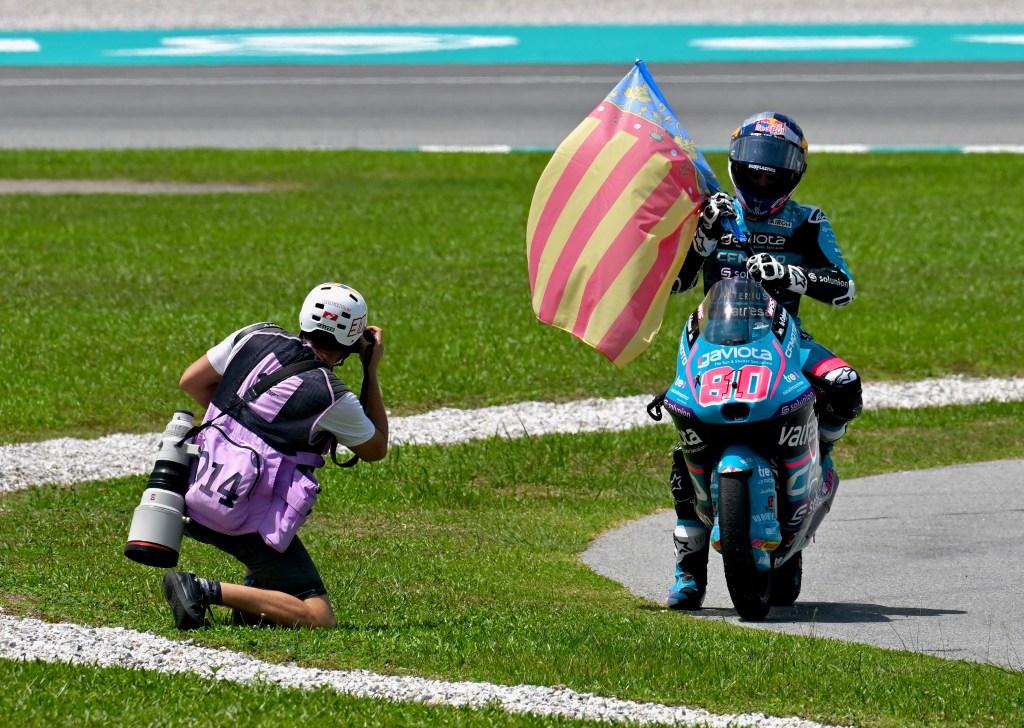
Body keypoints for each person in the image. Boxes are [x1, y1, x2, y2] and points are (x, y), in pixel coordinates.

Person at [665, 112, 862, 610]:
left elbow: (843, 287)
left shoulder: (807, 222)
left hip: (784, 341)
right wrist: (702, 239)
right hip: (712, 342)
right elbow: (677, 283)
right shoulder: (713, 213)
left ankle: (820, 454)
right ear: (736, 167)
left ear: (793, 175)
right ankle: (688, 570)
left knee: (844, 382)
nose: (761, 182)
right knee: (687, 432)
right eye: (754, 173)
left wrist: (793, 276)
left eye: (773, 176)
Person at [161, 282, 389, 629]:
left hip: (188, 490)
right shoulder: (333, 396)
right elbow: (376, 449)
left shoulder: (255, 335)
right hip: (240, 517)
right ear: (354, 338)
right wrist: (370, 370)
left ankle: (254, 604)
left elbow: (191, 381)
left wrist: (241, 429)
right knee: (319, 616)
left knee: (269, 548)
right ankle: (202, 589)